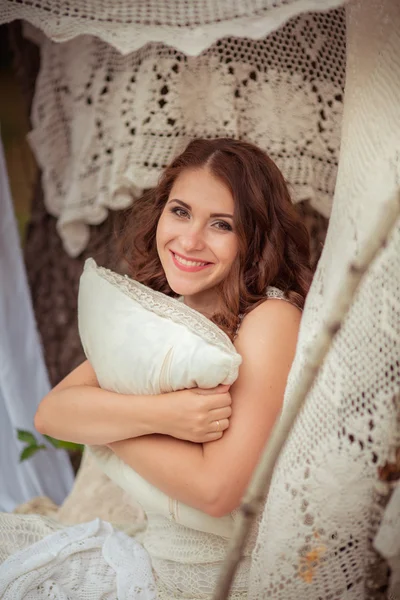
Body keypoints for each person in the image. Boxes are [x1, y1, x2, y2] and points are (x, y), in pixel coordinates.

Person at [0, 138, 312, 599]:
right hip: (152, 561)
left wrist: (106, 421)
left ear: (256, 237)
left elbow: (215, 492)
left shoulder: (270, 319)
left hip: (213, 584)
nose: (188, 240)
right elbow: (53, 414)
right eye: (180, 212)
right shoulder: (164, 312)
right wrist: (166, 415)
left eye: (221, 224)